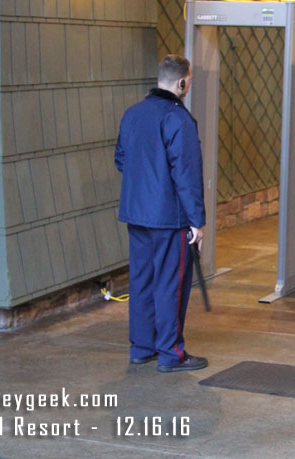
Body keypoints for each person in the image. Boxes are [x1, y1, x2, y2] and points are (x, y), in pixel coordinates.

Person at [114, 54, 207, 373]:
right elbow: (187, 173)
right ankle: (171, 352)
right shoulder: (178, 118)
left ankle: (142, 347)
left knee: (142, 280)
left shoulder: (132, 114)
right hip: (169, 218)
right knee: (171, 283)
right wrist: (197, 221)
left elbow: (121, 160)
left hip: (136, 214)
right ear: (182, 82)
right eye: (189, 81)